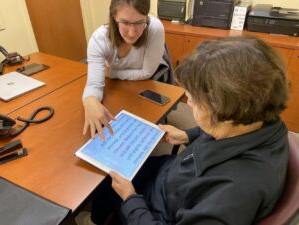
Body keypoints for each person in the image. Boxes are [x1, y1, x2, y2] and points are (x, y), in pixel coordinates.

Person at [75, 36, 289, 225]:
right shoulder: (258, 118)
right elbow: (226, 134)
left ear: (225, 111)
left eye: (194, 101)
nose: (188, 101)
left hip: (161, 209)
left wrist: (131, 200)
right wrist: (189, 134)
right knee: (117, 173)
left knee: (110, 183)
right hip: (176, 175)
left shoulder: (231, 194)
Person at [82, 0, 165, 140]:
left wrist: (112, 73)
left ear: (146, 17)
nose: (132, 33)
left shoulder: (154, 28)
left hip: (144, 84)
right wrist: (90, 100)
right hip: (118, 88)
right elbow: (93, 85)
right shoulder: (99, 40)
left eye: (140, 22)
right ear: (114, 17)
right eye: (125, 22)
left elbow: (146, 73)